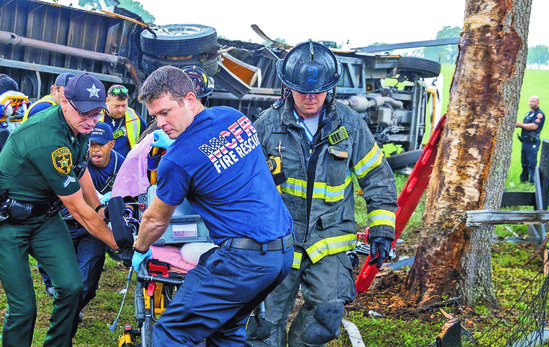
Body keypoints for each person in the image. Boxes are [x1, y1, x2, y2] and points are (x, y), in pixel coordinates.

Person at [131, 66, 294, 345]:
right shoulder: (235, 118)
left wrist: (139, 249)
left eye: (165, 112)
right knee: (226, 328)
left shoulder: (177, 160)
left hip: (243, 262)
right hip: (282, 254)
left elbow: (156, 221)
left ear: (190, 100)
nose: (159, 123)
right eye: (155, 115)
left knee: (170, 333)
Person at [253, 41, 397, 346]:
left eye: (318, 91)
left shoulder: (350, 125)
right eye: (302, 90)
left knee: (326, 318)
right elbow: (243, 184)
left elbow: (377, 177)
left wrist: (383, 230)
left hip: (329, 241)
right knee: (263, 324)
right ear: (287, 86)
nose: (310, 97)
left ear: (330, 88)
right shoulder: (267, 126)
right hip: (277, 241)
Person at [0, 73, 129, 345]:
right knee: (24, 307)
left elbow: (79, 169)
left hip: (44, 217)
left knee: (72, 287)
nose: (91, 121)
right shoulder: (48, 138)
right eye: (85, 113)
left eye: (97, 114)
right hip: (9, 224)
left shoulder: (79, 127)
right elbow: (80, 212)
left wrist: (99, 205)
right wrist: (119, 245)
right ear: (65, 102)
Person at [40, 122, 125, 314]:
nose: (94, 149)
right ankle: (57, 292)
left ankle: (71, 311)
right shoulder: (76, 160)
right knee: (55, 267)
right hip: (66, 223)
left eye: (100, 144)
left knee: (88, 277)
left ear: (111, 144)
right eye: (91, 144)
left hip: (94, 227)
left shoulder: (123, 165)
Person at [99, 84, 147, 157]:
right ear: (107, 101)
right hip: (99, 164)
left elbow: (148, 137)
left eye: (124, 106)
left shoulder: (134, 117)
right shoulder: (96, 117)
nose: (121, 110)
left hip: (126, 165)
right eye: (117, 106)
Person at [516, 95, 545, 184]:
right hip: (525, 141)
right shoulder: (529, 113)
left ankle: (533, 181)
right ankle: (523, 180)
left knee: (531, 162)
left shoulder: (539, 114)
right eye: (529, 101)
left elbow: (534, 126)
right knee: (524, 162)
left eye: (533, 101)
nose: (530, 103)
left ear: (538, 102)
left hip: (532, 141)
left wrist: (519, 124)